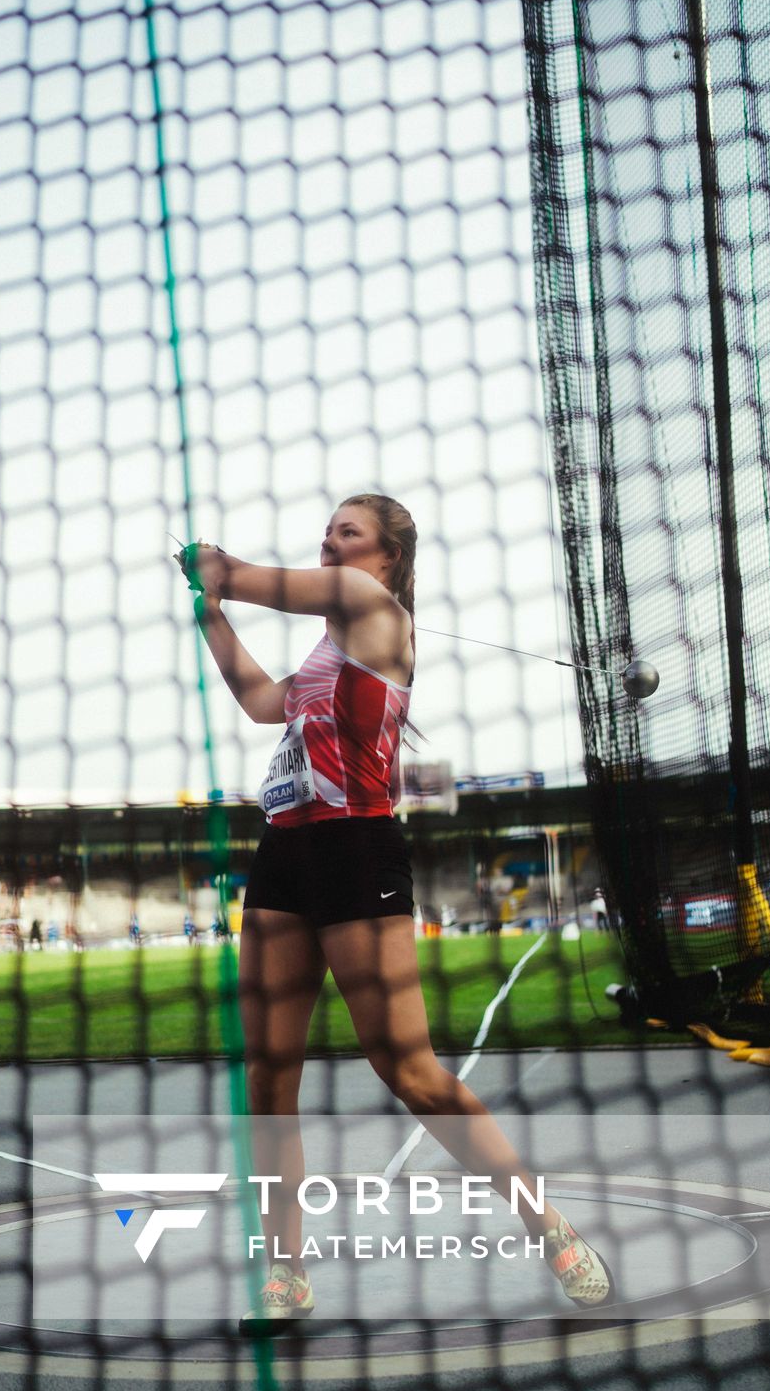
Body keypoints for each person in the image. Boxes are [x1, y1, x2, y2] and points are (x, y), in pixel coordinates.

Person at [176, 495, 612, 1329]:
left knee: (406, 1070)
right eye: (327, 530)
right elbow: (265, 705)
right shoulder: (327, 639)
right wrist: (212, 616)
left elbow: (267, 582)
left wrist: (224, 571)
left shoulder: (373, 608)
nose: (329, 540)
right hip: (287, 852)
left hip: (357, 852)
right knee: (268, 1075)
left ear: (386, 557)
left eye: (347, 532)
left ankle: (548, 1228)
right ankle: (286, 1273)